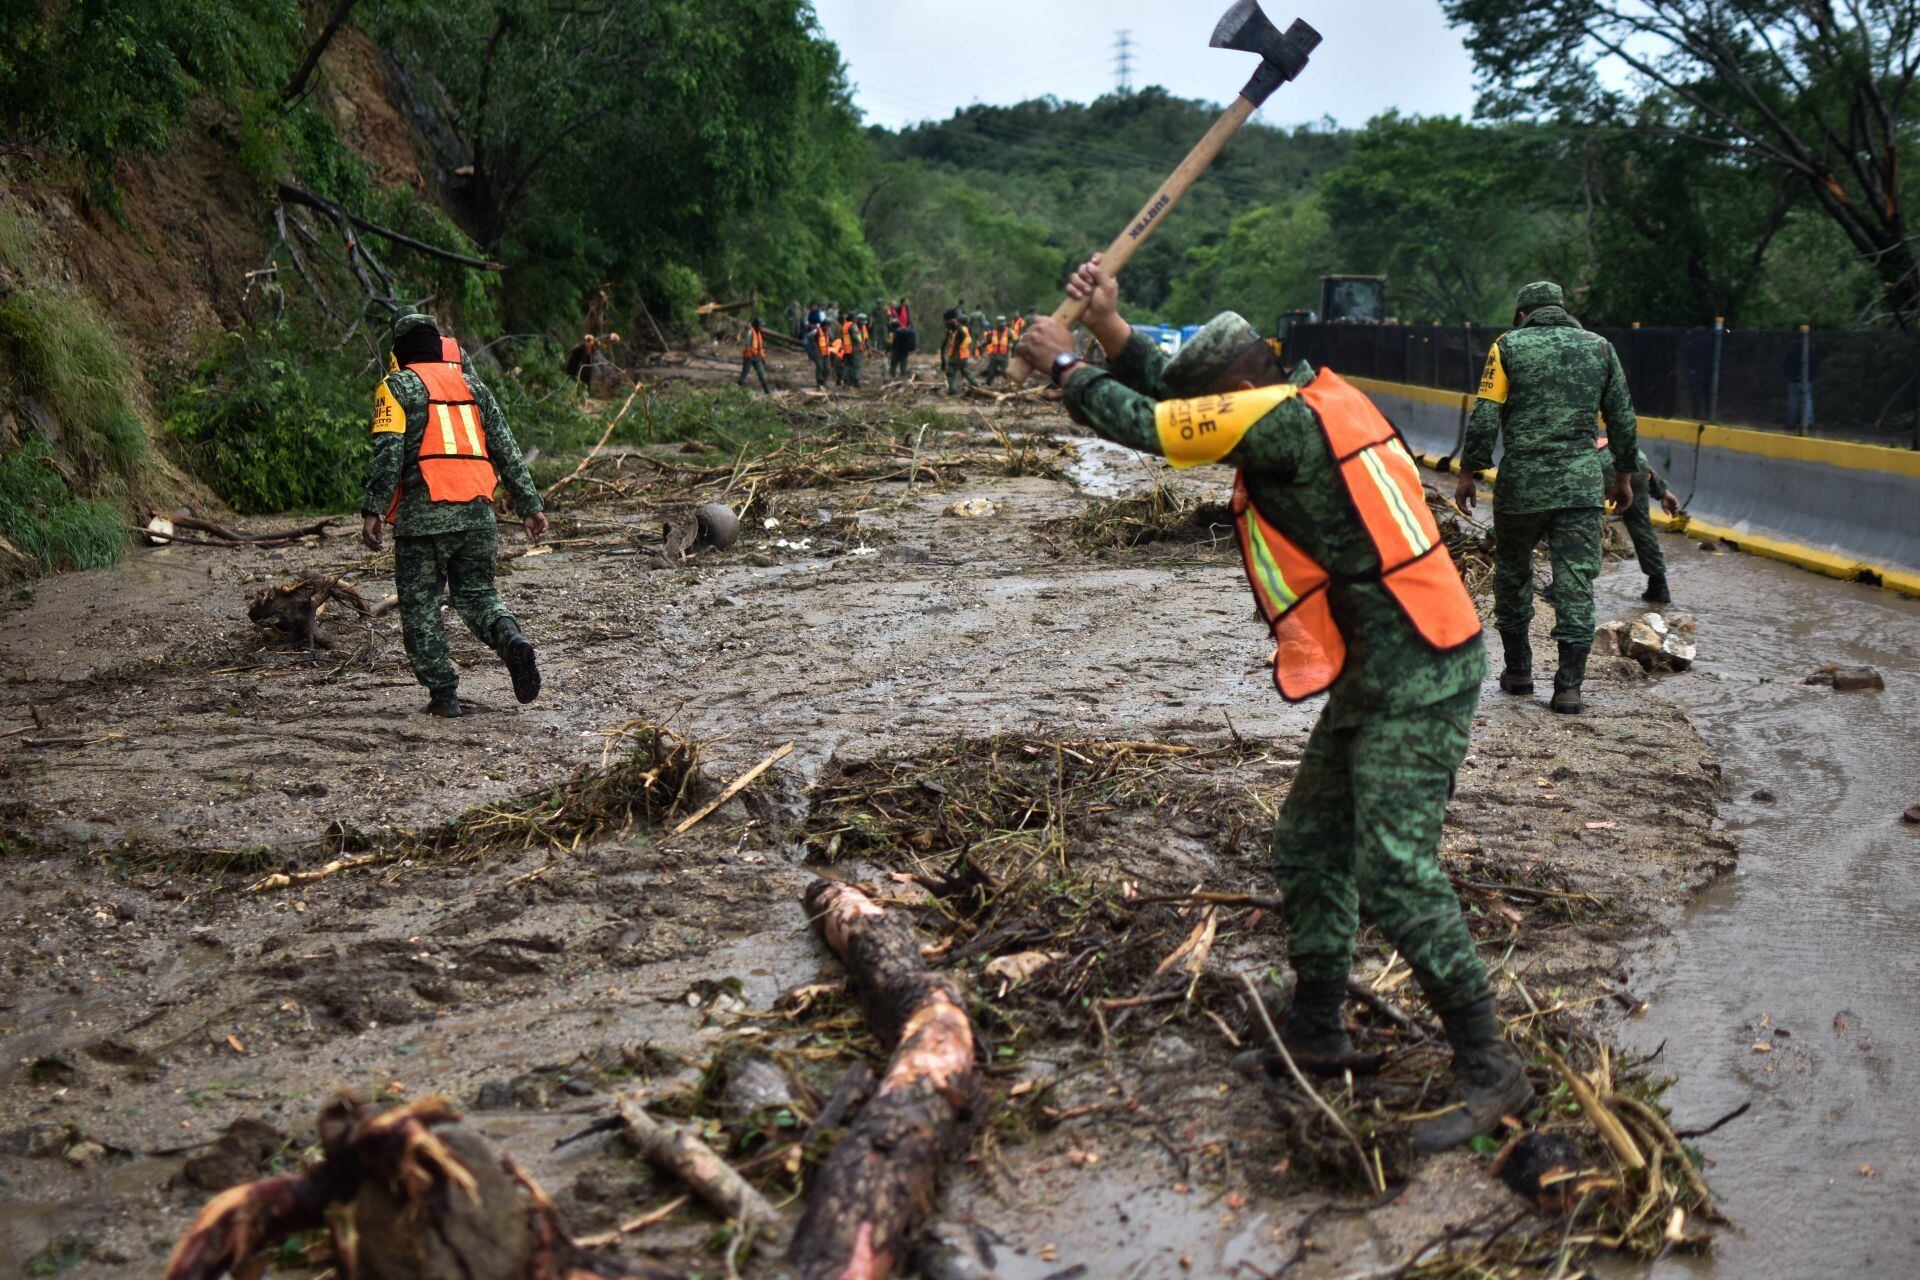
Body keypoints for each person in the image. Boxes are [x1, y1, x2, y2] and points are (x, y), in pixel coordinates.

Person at [1017, 258, 1529, 1152]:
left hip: (1420, 670)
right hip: (1384, 663)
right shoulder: (1310, 395)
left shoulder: (1287, 430)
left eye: (1216, 400)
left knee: (1395, 870)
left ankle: (1488, 1062)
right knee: (1309, 843)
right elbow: (1187, 408)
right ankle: (1319, 1027)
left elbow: (1162, 428)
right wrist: (1108, 326)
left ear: (1244, 388)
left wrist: (1067, 367)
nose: (1212, 416)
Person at [1458, 281, 1639, 715]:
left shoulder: (1507, 346)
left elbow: (1485, 414)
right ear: (1561, 309)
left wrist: (1470, 472)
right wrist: (1624, 477)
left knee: (1513, 574)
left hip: (1522, 485)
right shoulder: (1600, 348)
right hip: (1580, 485)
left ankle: (1519, 672)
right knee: (1576, 581)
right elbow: (1622, 416)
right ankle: (1569, 688)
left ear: (1522, 314)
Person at [360, 313, 547, 719]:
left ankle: (444, 695)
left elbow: (388, 454)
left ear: (401, 349)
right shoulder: (473, 386)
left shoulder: (396, 387)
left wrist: (373, 509)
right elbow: (507, 450)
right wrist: (530, 506)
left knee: (421, 607)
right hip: (479, 513)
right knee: (478, 595)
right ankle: (510, 636)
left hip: (424, 518)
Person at [1603, 444, 1681, 603]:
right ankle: (1658, 586)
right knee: (1641, 526)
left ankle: (1568, 585)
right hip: (1635, 463)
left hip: (1603, 467)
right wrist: (1662, 492)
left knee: (1576, 523)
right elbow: (1635, 457)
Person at [944, 315, 979, 395]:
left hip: (957, 356)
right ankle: (976, 384)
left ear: (959, 321)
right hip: (963, 356)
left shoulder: (961, 329)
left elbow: (961, 334)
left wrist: (956, 325)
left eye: (957, 321)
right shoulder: (965, 329)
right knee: (965, 372)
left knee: (950, 373)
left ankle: (952, 389)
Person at [738, 317, 771, 394]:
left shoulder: (758, 333)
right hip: (749, 357)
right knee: (744, 374)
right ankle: (737, 388)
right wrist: (749, 353)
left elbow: (759, 348)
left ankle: (768, 392)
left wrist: (762, 357)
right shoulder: (750, 332)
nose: (761, 327)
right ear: (757, 325)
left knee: (762, 374)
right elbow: (747, 344)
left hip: (757, 357)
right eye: (760, 325)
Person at [981, 315, 1012, 385]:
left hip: (1003, 356)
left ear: (1005, 323)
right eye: (999, 323)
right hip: (994, 356)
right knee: (991, 372)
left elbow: (1015, 341)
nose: (1000, 324)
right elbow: (988, 341)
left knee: (1004, 372)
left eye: (1002, 322)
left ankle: (1009, 385)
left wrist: (1014, 350)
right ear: (997, 323)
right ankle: (988, 385)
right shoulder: (993, 332)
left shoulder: (1009, 332)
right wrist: (982, 344)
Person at [808, 319, 832, 389]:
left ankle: (824, 381)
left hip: (826, 352)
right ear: (823, 325)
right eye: (827, 326)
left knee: (827, 368)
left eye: (828, 326)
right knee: (820, 367)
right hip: (819, 352)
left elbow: (829, 340)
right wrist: (814, 345)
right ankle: (819, 382)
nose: (828, 327)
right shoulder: (817, 331)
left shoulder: (828, 332)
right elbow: (809, 336)